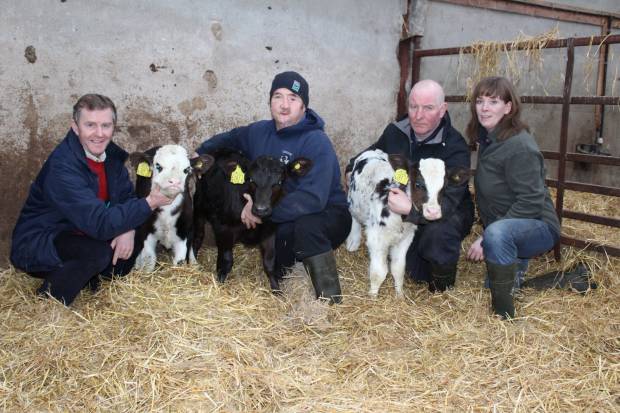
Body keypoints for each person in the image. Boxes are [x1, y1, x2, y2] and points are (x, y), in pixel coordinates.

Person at [195, 71, 351, 303]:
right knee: (278, 263)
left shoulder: (316, 142)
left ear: (304, 106)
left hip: (326, 215)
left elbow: (311, 199)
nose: (284, 105)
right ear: (270, 101)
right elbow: (230, 138)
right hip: (277, 214)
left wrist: (259, 212)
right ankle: (292, 269)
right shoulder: (259, 131)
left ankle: (330, 300)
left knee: (304, 228)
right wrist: (200, 153)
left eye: (293, 98)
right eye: (278, 97)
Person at [10, 94, 173, 305]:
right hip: (42, 240)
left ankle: (86, 280)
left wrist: (128, 230)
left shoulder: (112, 158)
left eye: (106, 125)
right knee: (97, 254)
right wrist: (150, 202)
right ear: (75, 127)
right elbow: (100, 223)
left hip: (83, 231)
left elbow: (125, 197)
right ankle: (49, 301)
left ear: (114, 127)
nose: (99, 133)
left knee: (130, 251)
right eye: (90, 125)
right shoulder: (62, 167)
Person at [345, 79, 474, 292]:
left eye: (428, 108)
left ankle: (443, 290)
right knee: (411, 268)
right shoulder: (396, 132)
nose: (418, 115)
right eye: (413, 106)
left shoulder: (454, 147)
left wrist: (411, 210)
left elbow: (451, 200)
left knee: (436, 239)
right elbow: (374, 151)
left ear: (442, 110)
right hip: (404, 216)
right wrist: (351, 168)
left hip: (444, 212)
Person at [464, 76, 561, 319]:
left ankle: (503, 316)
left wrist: (487, 237)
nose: (484, 108)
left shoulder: (520, 146)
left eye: (493, 101)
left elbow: (530, 201)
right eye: (480, 101)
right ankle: (515, 263)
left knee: (497, 236)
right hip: (511, 224)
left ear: (508, 108)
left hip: (538, 227)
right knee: (496, 256)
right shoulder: (489, 138)